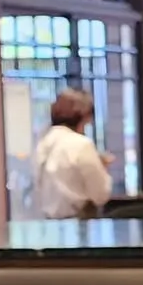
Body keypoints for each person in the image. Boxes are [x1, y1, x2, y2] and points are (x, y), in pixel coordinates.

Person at [33, 88, 113, 219]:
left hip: (49, 222)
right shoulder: (81, 144)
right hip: (78, 224)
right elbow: (100, 195)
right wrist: (102, 166)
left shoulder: (43, 143)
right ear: (84, 116)